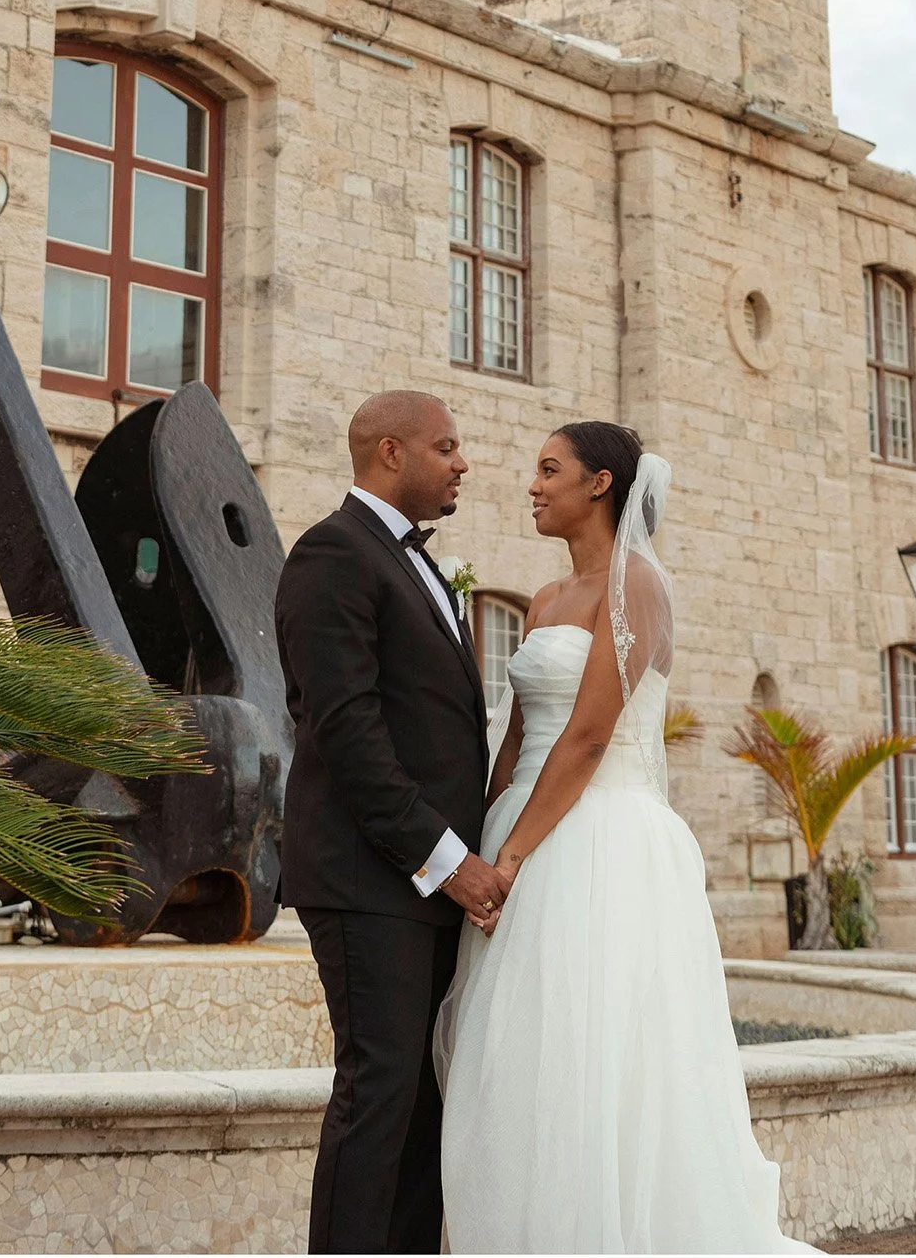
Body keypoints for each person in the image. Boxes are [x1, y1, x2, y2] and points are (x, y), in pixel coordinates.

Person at [435, 421, 815, 1255]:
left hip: (598, 841)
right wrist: (477, 841)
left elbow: (589, 734)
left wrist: (513, 855)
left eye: (549, 470)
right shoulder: (540, 600)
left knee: (601, 1052)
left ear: (600, 484)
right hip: (518, 832)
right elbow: (518, 736)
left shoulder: (637, 585)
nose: (531, 486)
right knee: (518, 1062)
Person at [274, 391, 498, 1254]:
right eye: (447, 447)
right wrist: (450, 861)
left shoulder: (412, 562)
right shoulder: (332, 554)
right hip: (372, 878)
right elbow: (348, 734)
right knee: (379, 1095)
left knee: (420, 1099)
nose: (462, 463)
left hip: (422, 885)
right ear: (392, 454)